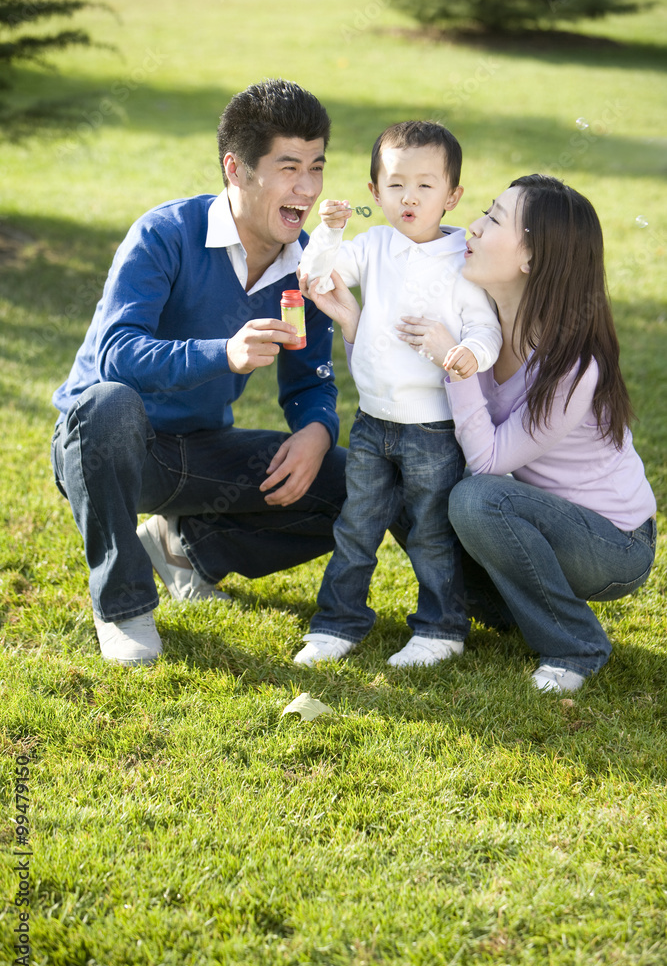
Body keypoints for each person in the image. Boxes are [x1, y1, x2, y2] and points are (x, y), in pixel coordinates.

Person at [50, 79, 347, 667]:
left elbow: (311, 379)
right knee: (107, 403)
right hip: (107, 449)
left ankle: (185, 547)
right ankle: (123, 607)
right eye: (289, 168)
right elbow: (117, 354)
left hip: (198, 452)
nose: (308, 189)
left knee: (353, 483)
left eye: (316, 167)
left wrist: (317, 429)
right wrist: (223, 353)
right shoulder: (165, 235)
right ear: (236, 168)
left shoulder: (306, 262)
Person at [395, 173, 657, 691]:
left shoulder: (573, 365)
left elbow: (490, 463)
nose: (471, 226)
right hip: (538, 517)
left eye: (492, 219)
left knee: (477, 499)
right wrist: (351, 318)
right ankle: (499, 613)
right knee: (401, 477)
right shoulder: (480, 319)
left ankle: (575, 644)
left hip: (614, 543)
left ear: (531, 260)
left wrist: (457, 364)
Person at [292, 120, 501, 667]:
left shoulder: (464, 261)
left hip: (432, 429)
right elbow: (315, 277)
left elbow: (488, 332)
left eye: (426, 186)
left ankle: (441, 628)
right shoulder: (375, 244)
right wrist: (330, 231)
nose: (409, 197)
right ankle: (338, 623)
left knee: (432, 533)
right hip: (371, 421)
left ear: (452, 196)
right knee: (355, 528)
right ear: (374, 192)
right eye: (395, 185)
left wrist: (466, 353)